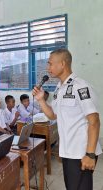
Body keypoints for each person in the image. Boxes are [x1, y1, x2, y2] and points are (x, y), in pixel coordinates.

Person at [32, 49, 102, 190]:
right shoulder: (60, 88)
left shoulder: (80, 86)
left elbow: (94, 120)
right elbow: (53, 115)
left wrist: (90, 154)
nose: (48, 68)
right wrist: (41, 100)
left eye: (50, 64)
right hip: (68, 151)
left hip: (80, 152)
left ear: (63, 64)